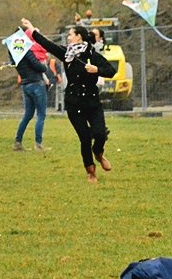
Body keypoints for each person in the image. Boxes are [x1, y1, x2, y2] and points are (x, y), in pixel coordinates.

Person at [20, 18, 117, 183]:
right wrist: (32, 30)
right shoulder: (67, 54)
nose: (68, 37)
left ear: (79, 37)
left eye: (71, 34)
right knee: (85, 137)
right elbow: (47, 44)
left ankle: (98, 153)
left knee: (100, 133)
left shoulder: (92, 54)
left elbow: (111, 70)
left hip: (92, 103)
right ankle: (91, 171)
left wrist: (97, 70)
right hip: (74, 104)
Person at [13, 45, 49, 152]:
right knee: (41, 114)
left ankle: (18, 142)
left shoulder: (14, 51)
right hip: (36, 83)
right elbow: (37, 66)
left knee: (28, 115)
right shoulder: (27, 51)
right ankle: (38, 144)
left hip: (25, 85)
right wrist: (44, 67)